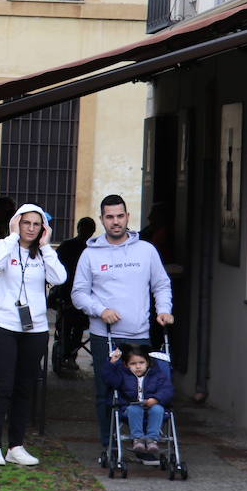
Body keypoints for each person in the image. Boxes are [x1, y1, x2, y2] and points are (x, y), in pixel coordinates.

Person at [71, 195, 174, 457]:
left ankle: (141, 441)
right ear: (102, 219)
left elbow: (161, 284)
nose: (115, 222)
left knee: (140, 392)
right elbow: (79, 293)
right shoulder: (89, 254)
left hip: (138, 335)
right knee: (104, 394)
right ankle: (109, 446)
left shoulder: (146, 250)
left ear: (128, 217)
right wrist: (100, 310)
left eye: (120, 216)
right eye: (109, 217)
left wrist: (164, 310)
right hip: (103, 336)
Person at [0, 203, 65, 467]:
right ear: (17, 223)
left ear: (43, 228)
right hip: (3, 325)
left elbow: (60, 277)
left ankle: (16, 445)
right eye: (26, 223)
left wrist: (47, 247)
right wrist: (11, 235)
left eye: (36, 224)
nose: (30, 228)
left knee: (24, 388)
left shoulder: (43, 253)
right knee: (3, 386)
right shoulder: (4, 246)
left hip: (35, 329)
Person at [101, 346, 174, 456]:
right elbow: (110, 380)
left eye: (141, 362)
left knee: (158, 410)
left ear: (148, 363)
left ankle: (152, 439)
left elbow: (167, 389)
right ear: (126, 365)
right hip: (130, 406)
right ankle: (138, 439)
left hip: (152, 404)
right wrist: (111, 364)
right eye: (133, 364)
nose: (138, 366)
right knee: (135, 410)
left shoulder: (157, 374)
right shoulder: (123, 375)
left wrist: (156, 399)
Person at [50, 217, 96, 371]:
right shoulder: (87, 248)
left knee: (73, 327)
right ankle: (68, 355)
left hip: (77, 296)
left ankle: (69, 355)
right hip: (69, 295)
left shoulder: (90, 249)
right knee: (69, 327)